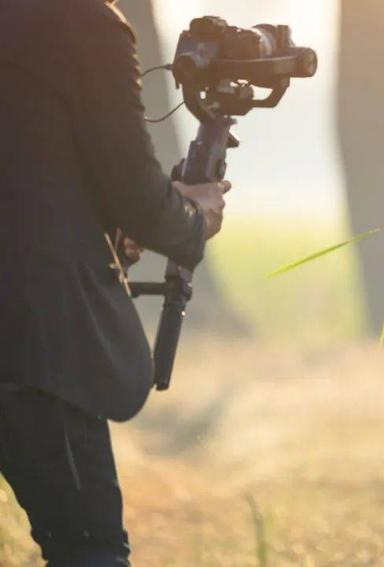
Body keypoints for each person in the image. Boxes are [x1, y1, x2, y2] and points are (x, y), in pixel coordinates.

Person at [0, 0, 229, 565]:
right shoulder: (80, 20)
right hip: (35, 347)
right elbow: (135, 194)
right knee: (87, 548)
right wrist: (195, 218)